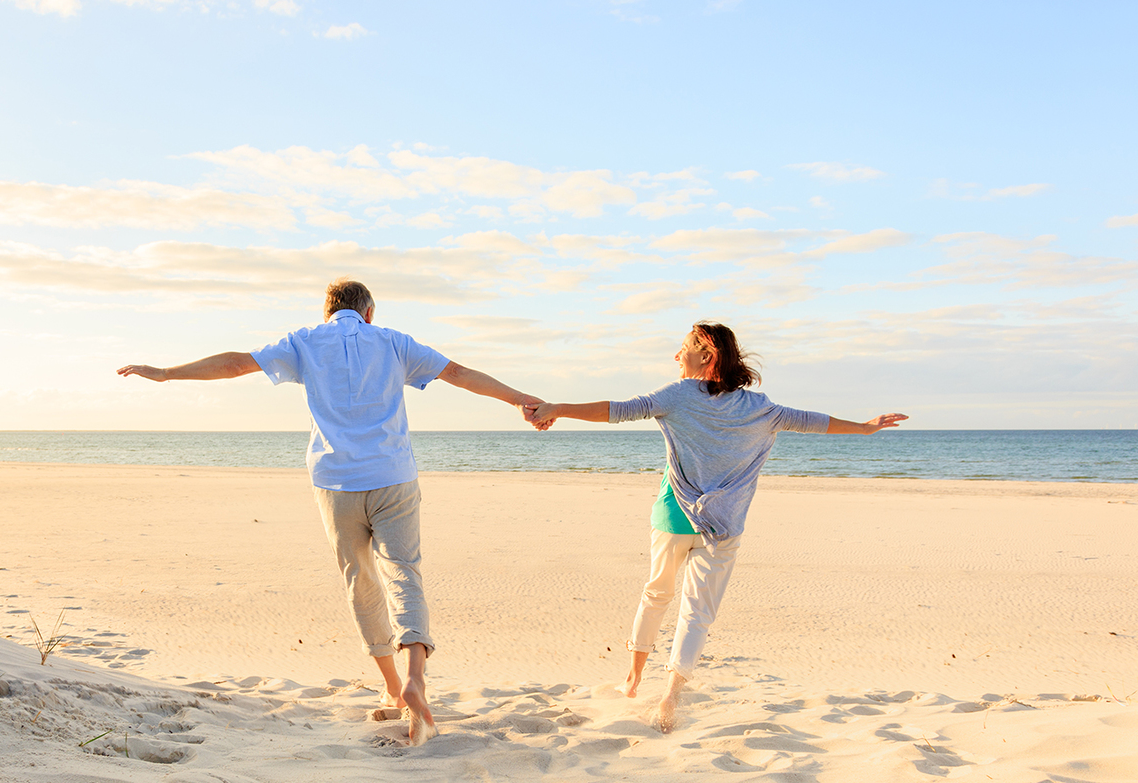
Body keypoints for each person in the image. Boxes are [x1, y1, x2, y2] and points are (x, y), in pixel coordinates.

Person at [118, 279, 546, 745]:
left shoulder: (305, 341)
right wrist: (524, 400)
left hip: (335, 483)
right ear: (369, 312)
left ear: (328, 313)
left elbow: (236, 363)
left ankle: (390, 688)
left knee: (359, 581)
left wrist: (163, 373)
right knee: (404, 574)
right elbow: (459, 374)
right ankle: (415, 678)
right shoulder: (393, 342)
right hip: (393, 476)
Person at [526, 322, 906, 732]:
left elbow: (616, 411)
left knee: (656, 594)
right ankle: (670, 696)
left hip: (674, 514)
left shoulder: (677, 395)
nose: (677, 357)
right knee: (697, 613)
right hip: (724, 523)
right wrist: (865, 428)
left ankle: (633, 680)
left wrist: (557, 408)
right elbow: (812, 421)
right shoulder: (760, 408)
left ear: (706, 355)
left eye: (683, 348)